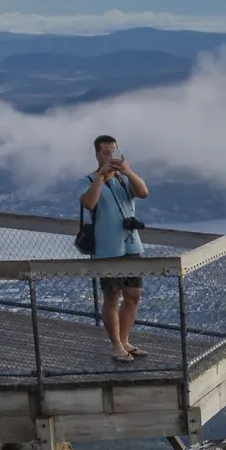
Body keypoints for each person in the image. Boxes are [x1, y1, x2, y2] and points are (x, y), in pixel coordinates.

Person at [79, 134, 151, 361]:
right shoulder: (89, 180)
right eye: (106, 152)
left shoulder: (123, 180)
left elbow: (143, 192)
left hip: (131, 244)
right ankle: (116, 345)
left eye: (114, 152)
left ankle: (125, 340)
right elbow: (88, 203)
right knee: (112, 296)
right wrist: (101, 176)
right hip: (107, 249)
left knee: (134, 295)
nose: (111, 156)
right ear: (97, 155)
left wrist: (128, 171)